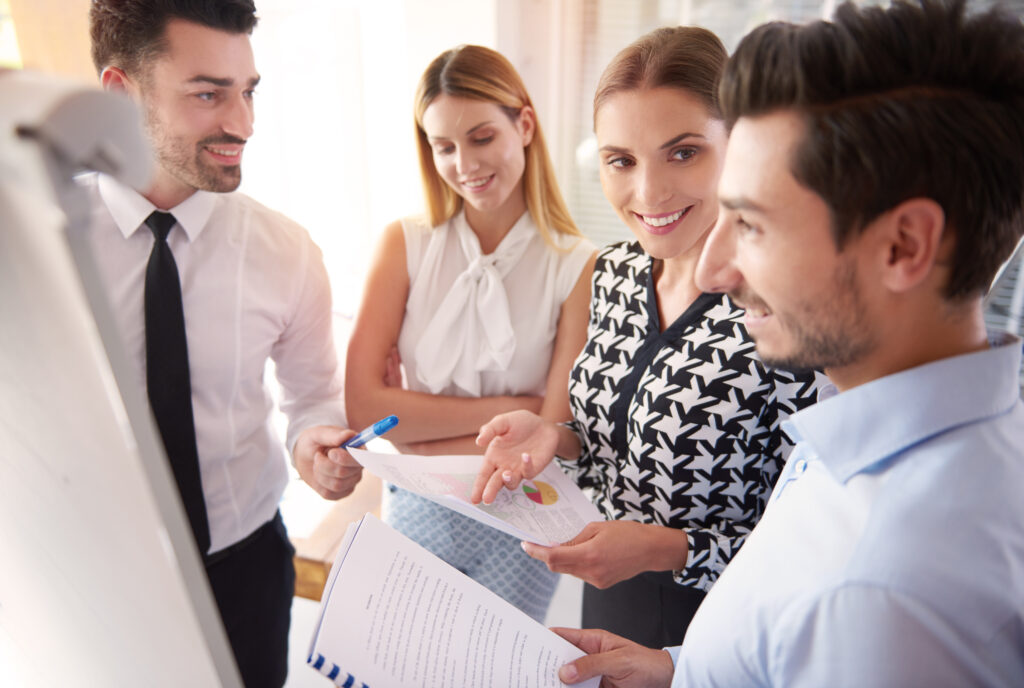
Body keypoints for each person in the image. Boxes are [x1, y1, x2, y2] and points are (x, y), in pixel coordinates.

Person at [553, 0, 1024, 686]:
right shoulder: (869, 431)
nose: (716, 271)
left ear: (903, 246)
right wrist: (678, 669)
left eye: (751, 224)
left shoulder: (879, 596)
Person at [473, 26, 824, 648]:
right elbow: (618, 443)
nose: (649, 192)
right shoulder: (611, 272)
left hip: (727, 625)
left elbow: (816, 538)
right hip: (608, 596)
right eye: (621, 161)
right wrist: (555, 437)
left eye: (684, 152)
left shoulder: (788, 306)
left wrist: (665, 550)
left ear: (737, 143)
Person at [86, 2, 363, 686]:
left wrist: (316, 448)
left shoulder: (287, 252)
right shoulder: (35, 243)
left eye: (248, 92)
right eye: (208, 94)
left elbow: (312, 398)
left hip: (245, 568)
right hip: (91, 572)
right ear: (122, 94)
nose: (241, 124)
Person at [344, 45, 596, 622]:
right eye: (444, 146)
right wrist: (516, 406)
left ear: (524, 125)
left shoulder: (577, 264)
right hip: (415, 509)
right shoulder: (403, 244)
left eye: (482, 137)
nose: (464, 164)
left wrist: (413, 441)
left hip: (521, 520)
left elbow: (544, 447)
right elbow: (364, 407)